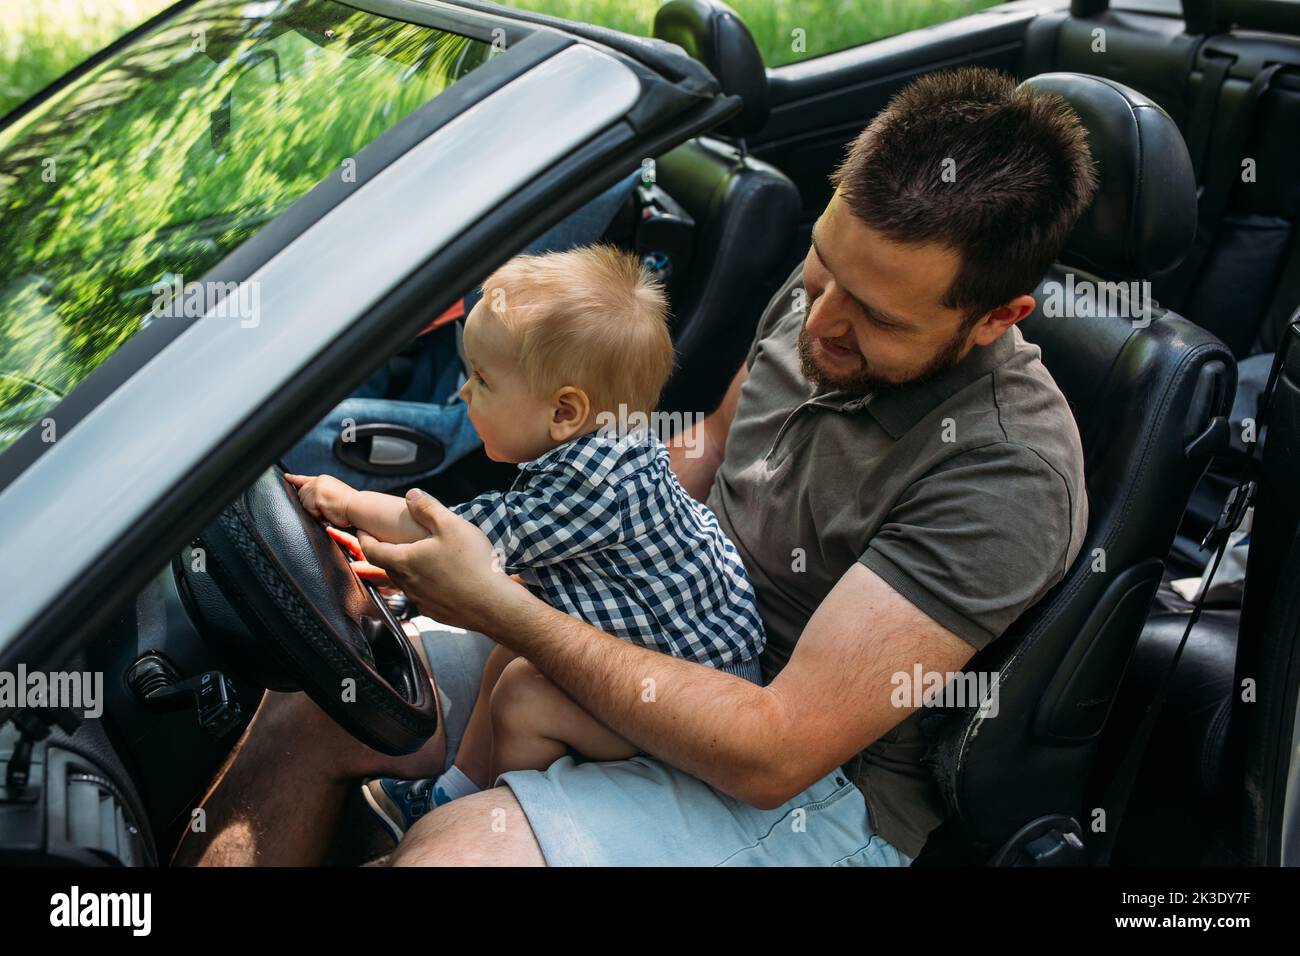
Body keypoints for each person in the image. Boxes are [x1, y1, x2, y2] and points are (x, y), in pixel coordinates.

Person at [174, 66, 1096, 867]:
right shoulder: (838, 296)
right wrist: (555, 536)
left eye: (880, 319)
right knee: (328, 693)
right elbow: (696, 456)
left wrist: (504, 605)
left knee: (454, 856)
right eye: (822, 271)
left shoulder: (1006, 474)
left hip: (816, 796)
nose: (822, 324)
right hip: (665, 638)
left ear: (996, 319)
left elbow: (776, 749)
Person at [285, 244, 764, 840]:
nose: (464, 394)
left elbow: (452, 538)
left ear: (565, 411)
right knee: (512, 644)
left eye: (482, 380)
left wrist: (344, 499)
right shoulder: (608, 444)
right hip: (684, 660)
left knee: (524, 698)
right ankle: (452, 791)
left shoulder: (587, 489)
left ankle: (493, 824)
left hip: (691, 711)